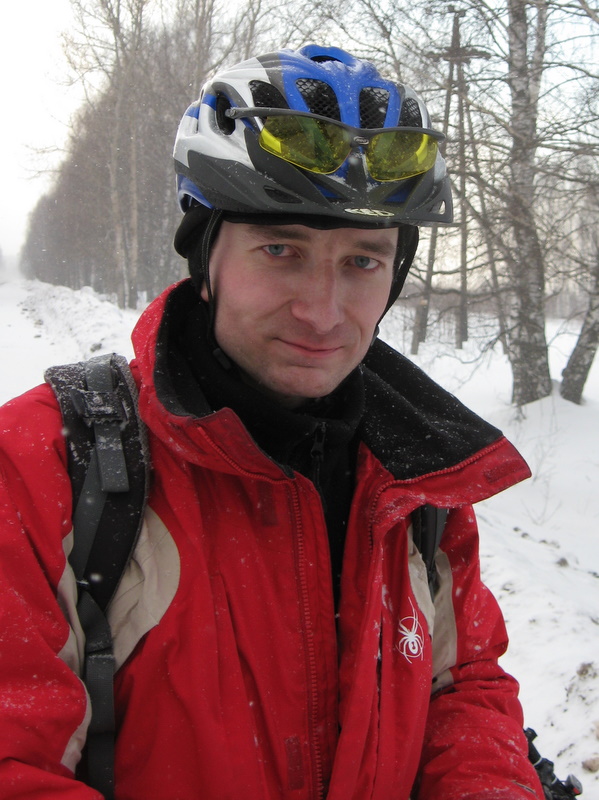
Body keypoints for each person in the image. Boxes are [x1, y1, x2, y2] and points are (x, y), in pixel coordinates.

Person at [0, 45, 543, 799]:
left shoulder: (414, 477)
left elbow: (463, 687)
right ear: (205, 258)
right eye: (280, 249)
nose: (322, 312)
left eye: (362, 261)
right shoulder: (44, 466)